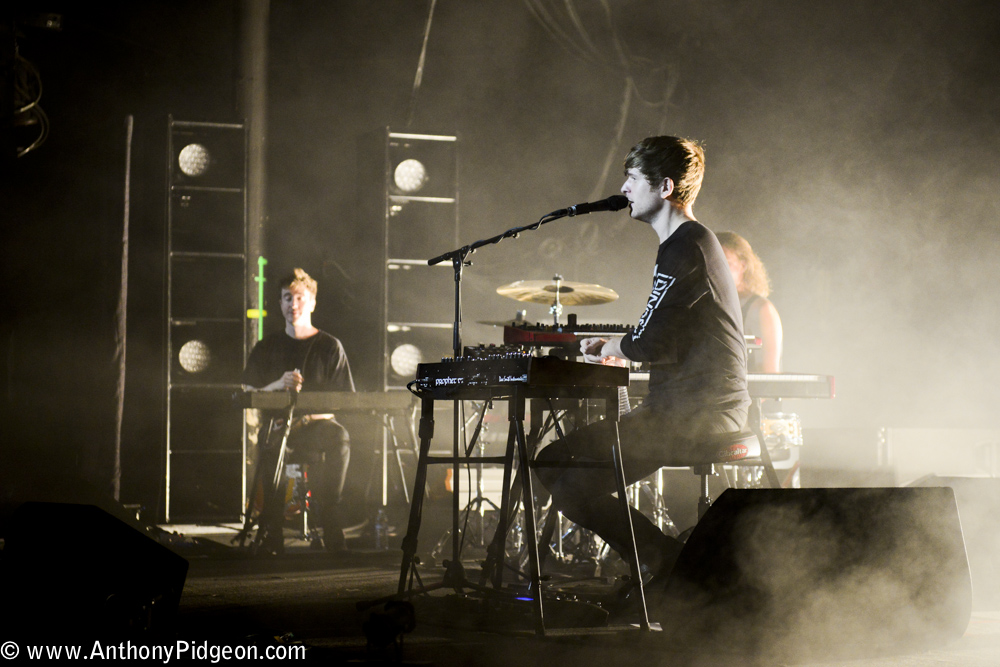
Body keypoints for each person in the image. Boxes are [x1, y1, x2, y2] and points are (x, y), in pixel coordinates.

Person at [535, 136, 750, 600]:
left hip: (695, 414)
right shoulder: (689, 244)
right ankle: (664, 560)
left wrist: (612, 344)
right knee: (554, 464)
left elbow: (650, 340)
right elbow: (665, 336)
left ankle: (669, 563)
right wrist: (620, 346)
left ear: (665, 186)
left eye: (633, 178)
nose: (624, 188)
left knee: (562, 474)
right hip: (682, 408)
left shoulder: (686, 246)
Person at [243, 268, 355, 553]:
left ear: (312, 302)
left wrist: (306, 418)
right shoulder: (267, 346)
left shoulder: (330, 346)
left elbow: (342, 400)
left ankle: (331, 522)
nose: (293, 305)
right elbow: (246, 392)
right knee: (272, 446)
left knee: (340, 438)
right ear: (280, 303)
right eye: (286, 298)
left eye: (299, 298)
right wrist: (277, 384)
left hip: (316, 426)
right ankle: (273, 530)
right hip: (276, 427)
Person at [716, 231, 783, 373]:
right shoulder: (712, 305)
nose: (719, 271)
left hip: (748, 394)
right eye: (715, 264)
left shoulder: (762, 309)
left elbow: (769, 372)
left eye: (727, 263)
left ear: (743, 265)